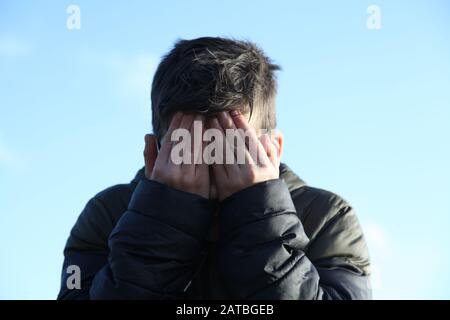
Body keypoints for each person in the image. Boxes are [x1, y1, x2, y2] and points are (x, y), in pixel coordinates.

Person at [58, 37, 371, 299]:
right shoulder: (109, 213)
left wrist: (257, 216)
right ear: (153, 154)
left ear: (271, 150)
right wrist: (163, 218)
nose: (208, 165)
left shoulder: (327, 216)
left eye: (232, 148)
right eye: (188, 148)